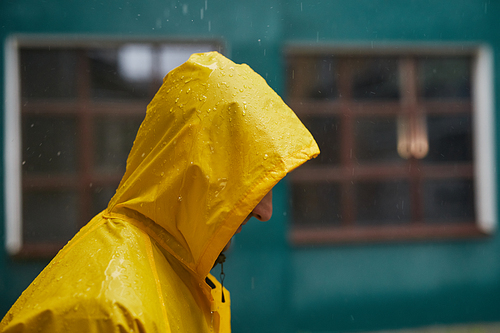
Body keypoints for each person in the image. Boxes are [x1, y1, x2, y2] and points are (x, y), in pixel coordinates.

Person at [0, 52, 319, 332]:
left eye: (268, 184)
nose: (266, 211)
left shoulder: (179, 278)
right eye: (249, 182)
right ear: (195, 170)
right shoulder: (105, 311)